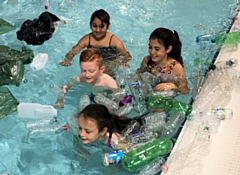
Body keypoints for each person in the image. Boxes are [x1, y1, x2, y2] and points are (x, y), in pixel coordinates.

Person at [59, 9, 131, 77]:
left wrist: (124, 62)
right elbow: (74, 50)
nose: (98, 30)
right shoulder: (87, 39)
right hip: (93, 67)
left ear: (108, 26)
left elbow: (127, 55)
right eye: (95, 26)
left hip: (110, 65)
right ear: (90, 25)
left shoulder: (114, 41)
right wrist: (67, 60)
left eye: (101, 26)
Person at [54, 48, 118, 108]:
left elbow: (119, 96)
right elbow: (66, 86)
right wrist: (60, 100)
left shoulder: (109, 82)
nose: (87, 75)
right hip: (94, 96)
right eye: (84, 70)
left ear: (101, 70)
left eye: (91, 71)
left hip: (107, 97)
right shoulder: (81, 78)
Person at [137, 27, 190, 94]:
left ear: (168, 49)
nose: (152, 52)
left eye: (157, 49)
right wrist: (136, 84)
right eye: (150, 47)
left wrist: (173, 86)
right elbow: (138, 74)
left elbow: (185, 91)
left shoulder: (176, 67)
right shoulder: (147, 61)